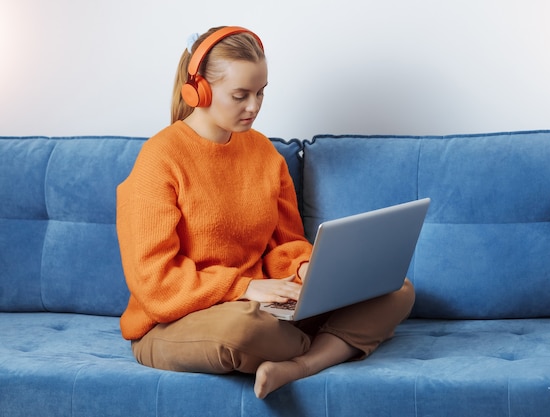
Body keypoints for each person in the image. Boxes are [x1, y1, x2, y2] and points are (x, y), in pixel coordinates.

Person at [116, 25, 415, 399]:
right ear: (199, 91)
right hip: (176, 322)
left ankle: (299, 364)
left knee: (395, 290)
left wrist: (307, 271)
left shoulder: (263, 154)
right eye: (240, 95)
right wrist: (245, 288)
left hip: (263, 306)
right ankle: (328, 346)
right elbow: (154, 283)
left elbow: (285, 244)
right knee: (246, 330)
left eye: (261, 93)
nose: (254, 106)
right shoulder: (159, 160)